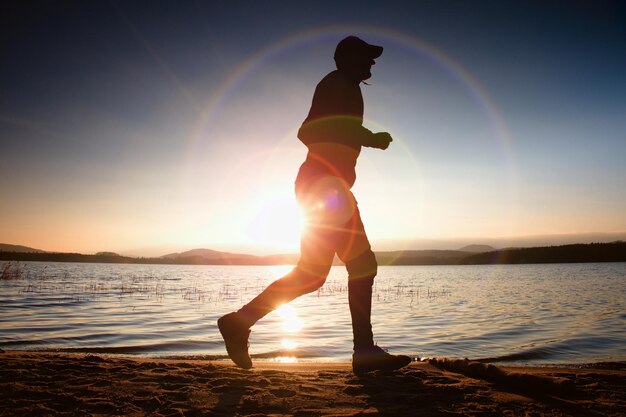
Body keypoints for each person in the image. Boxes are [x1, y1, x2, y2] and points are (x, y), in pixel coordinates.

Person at [218, 36, 411, 375]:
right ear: (349, 58)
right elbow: (307, 131)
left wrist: (362, 138)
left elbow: (328, 129)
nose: (373, 63)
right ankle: (364, 352)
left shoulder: (345, 86)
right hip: (325, 187)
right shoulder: (337, 83)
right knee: (363, 263)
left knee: (312, 274)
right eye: (367, 56)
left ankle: (239, 322)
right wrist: (370, 138)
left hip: (320, 185)